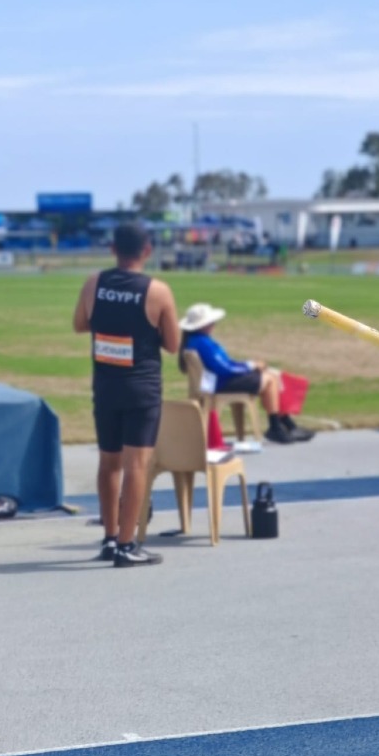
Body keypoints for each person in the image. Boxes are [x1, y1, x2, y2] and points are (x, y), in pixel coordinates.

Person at [72, 223, 180, 567]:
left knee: (108, 463)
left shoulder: (94, 283)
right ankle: (126, 543)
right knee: (137, 465)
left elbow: (79, 323)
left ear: (113, 250)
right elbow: (173, 344)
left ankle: (108, 538)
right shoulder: (158, 291)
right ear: (146, 251)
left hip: (105, 385)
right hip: (141, 387)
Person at [177, 303, 314, 444]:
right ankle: (278, 425)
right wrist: (250, 366)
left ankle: (283, 423)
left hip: (216, 381)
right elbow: (224, 368)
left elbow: (225, 364)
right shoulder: (203, 343)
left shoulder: (194, 341)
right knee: (270, 379)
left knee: (269, 375)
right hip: (221, 382)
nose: (214, 324)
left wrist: (250, 365)